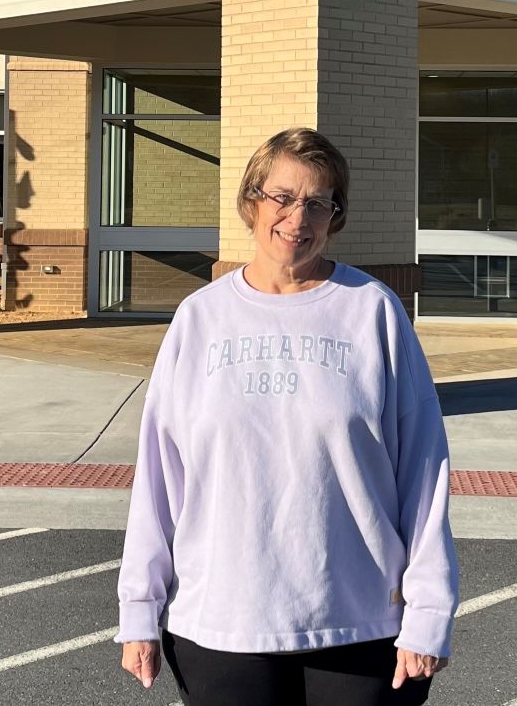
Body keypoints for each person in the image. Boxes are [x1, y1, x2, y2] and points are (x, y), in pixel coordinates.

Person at [116, 126, 459, 704]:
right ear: (252, 201)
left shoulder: (372, 311)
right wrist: (139, 608)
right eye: (282, 196)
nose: (297, 217)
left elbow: (424, 472)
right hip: (222, 620)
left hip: (360, 620)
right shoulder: (200, 319)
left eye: (318, 202)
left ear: (335, 215)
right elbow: (157, 478)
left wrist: (429, 610)